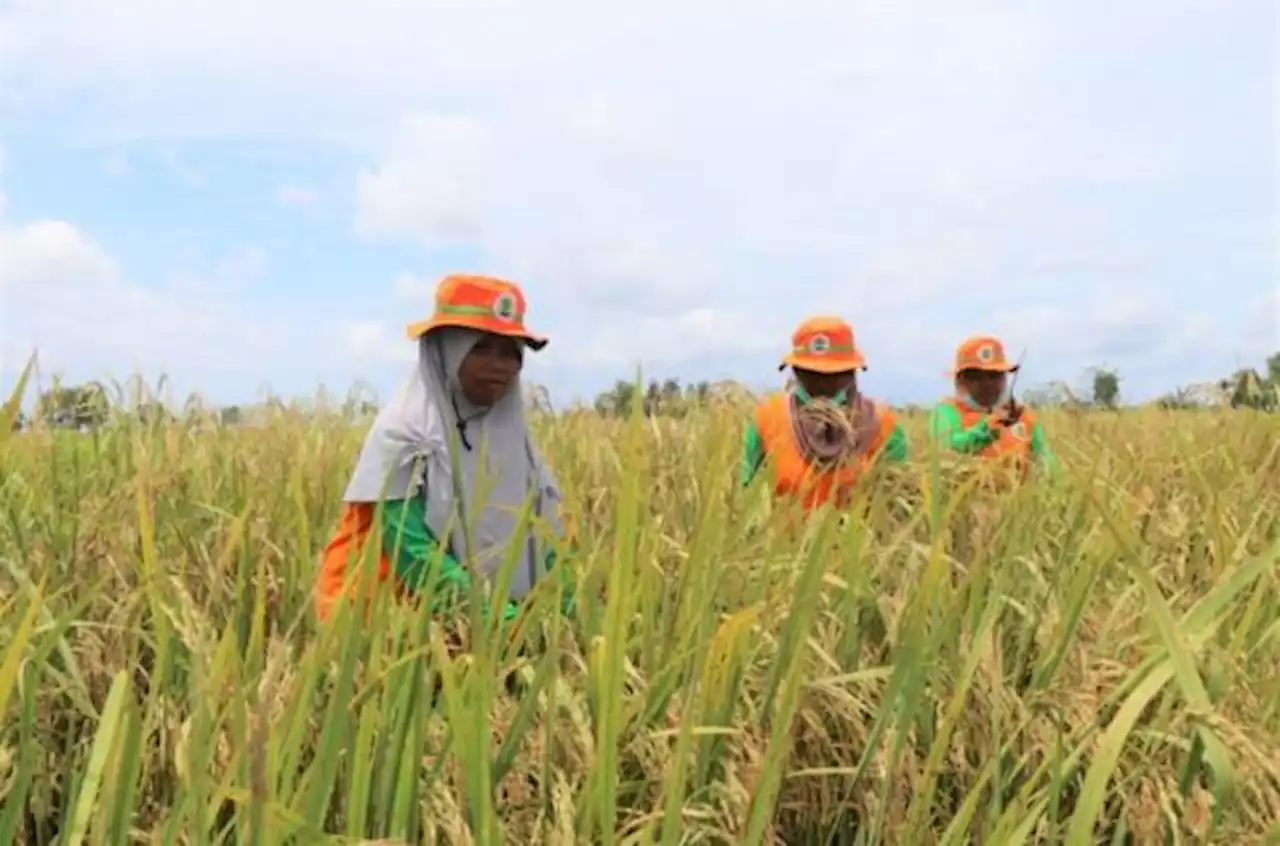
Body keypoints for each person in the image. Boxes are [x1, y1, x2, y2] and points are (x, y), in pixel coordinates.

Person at [314, 274, 572, 625]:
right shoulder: (404, 433)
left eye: (510, 352)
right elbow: (410, 550)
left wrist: (573, 609)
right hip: (387, 626)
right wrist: (496, 618)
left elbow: (548, 534)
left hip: (487, 625)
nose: (498, 365)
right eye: (480, 348)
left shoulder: (515, 438)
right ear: (445, 351)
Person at [741, 316, 909, 511]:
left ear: (851, 373)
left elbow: (897, 498)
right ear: (795, 372)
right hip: (784, 539)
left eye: (832, 375)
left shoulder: (881, 423)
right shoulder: (768, 416)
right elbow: (747, 491)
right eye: (811, 374)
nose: (822, 383)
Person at [929, 334, 1057, 478]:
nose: (987, 384)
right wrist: (989, 428)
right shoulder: (946, 412)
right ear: (961, 380)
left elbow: (1047, 463)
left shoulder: (1023, 417)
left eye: (994, 375)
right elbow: (949, 447)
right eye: (976, 377)